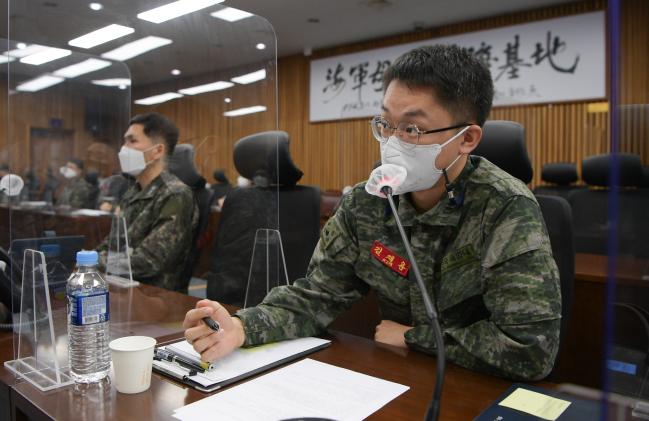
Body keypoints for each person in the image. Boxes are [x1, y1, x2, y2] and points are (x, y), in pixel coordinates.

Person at [183, 45, 561, 381]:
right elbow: (317, 295)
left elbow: (530, 349)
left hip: (475, 387)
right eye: (386, 124)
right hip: (398, 376)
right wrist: (239, 327)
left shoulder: (506, 208)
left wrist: (414, 336)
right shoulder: (368, 201)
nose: (393, 142)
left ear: (466, 139)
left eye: (412, 128)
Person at [97, 113, 198, 292]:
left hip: (156, 299)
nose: (124, 149)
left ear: (157, 151)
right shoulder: (133, 192)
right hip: (121, 287)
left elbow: (149, 261)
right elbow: (113, 244)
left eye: (132, 141)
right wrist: (88, 258)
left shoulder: (175, 194)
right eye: (125, 141)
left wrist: (94, 262)